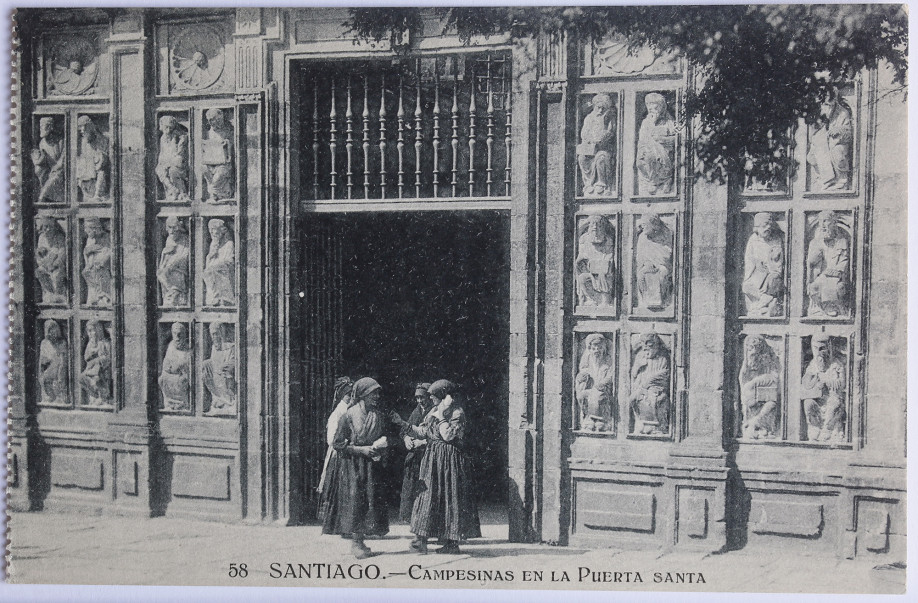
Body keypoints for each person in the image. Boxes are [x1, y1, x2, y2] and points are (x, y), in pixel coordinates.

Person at [399, 379, 481, 554]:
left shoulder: (457, 412)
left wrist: (442, 416)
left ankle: (451, 543)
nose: (431, 399)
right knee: (426, 497)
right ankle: (420, 541)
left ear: (444, 395)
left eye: (433, 396)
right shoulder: (434, 411)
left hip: (450, 461)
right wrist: (403, 425)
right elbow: (423, 431)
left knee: (449, 498)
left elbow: (449, 435)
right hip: (433, 460)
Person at [322, 377, 392, 558]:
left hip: (371, 466)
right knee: (355, 503)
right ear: (362, 394)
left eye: (377, 393)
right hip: (353, 465)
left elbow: (385, 436)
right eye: (372, 393)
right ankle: (356, 544)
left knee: (370, 502)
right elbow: (337, 444)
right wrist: (361, 449)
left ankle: (361, 542)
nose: (376, 396)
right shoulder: (348, 416)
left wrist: (380, 448)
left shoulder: (378, 415)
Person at [317, 376, 354, 519]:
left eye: (352, 395)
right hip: (338, 453)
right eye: (348, 395)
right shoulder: (337, 413)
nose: (351, 398)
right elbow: (331, 439)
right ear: (342, 396)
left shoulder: (350, 410)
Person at [398, 382, 433, 521]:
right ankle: (409, 516)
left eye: (422, 398)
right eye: (417, 398)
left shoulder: (434, 411)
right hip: (415, 454)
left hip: (428, 453)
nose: (420, 401)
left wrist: (422, 442)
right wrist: (406, 438)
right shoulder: (417, 410)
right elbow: (405, 429)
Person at [577, 93, 616, 196]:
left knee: (601, 157)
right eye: (598, 107)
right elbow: (584, 133)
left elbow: (610, 132)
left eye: (603, 108)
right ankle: (588, 183)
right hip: (590, 147)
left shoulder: (608, 118)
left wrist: (602, 138)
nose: (600, 110)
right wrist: (589, 139)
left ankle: (602, 183)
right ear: (594, 107)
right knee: (582, 158)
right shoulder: (589, 118)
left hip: (603, 148)